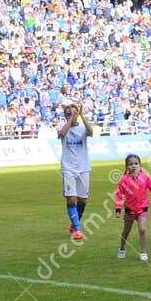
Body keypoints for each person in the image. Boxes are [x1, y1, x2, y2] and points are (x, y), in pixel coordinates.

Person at [113, 154, 151, 261]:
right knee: (126, 231)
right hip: (129, 211)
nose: (134, 166)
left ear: (140, 166)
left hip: (142, 209)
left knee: (142, 229)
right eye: (131, 164)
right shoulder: (123, 180)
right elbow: (119, 195)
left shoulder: (146, 178)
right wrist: (118, 209)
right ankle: (122, 248)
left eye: (136, 164)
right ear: (126, 167)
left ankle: (143, 252)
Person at [57, 102, 94, 241]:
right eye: (68, 113)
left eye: (73, 113)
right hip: (68, 167)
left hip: (83, 167)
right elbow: (62, 134)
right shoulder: (61, 126)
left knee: (83, 200)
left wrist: (82, 116)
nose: (70, 115)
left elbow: (91, 132)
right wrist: (70, 120)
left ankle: (74, 223)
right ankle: (77, 229)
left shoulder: (83, 127)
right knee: (71, 197)